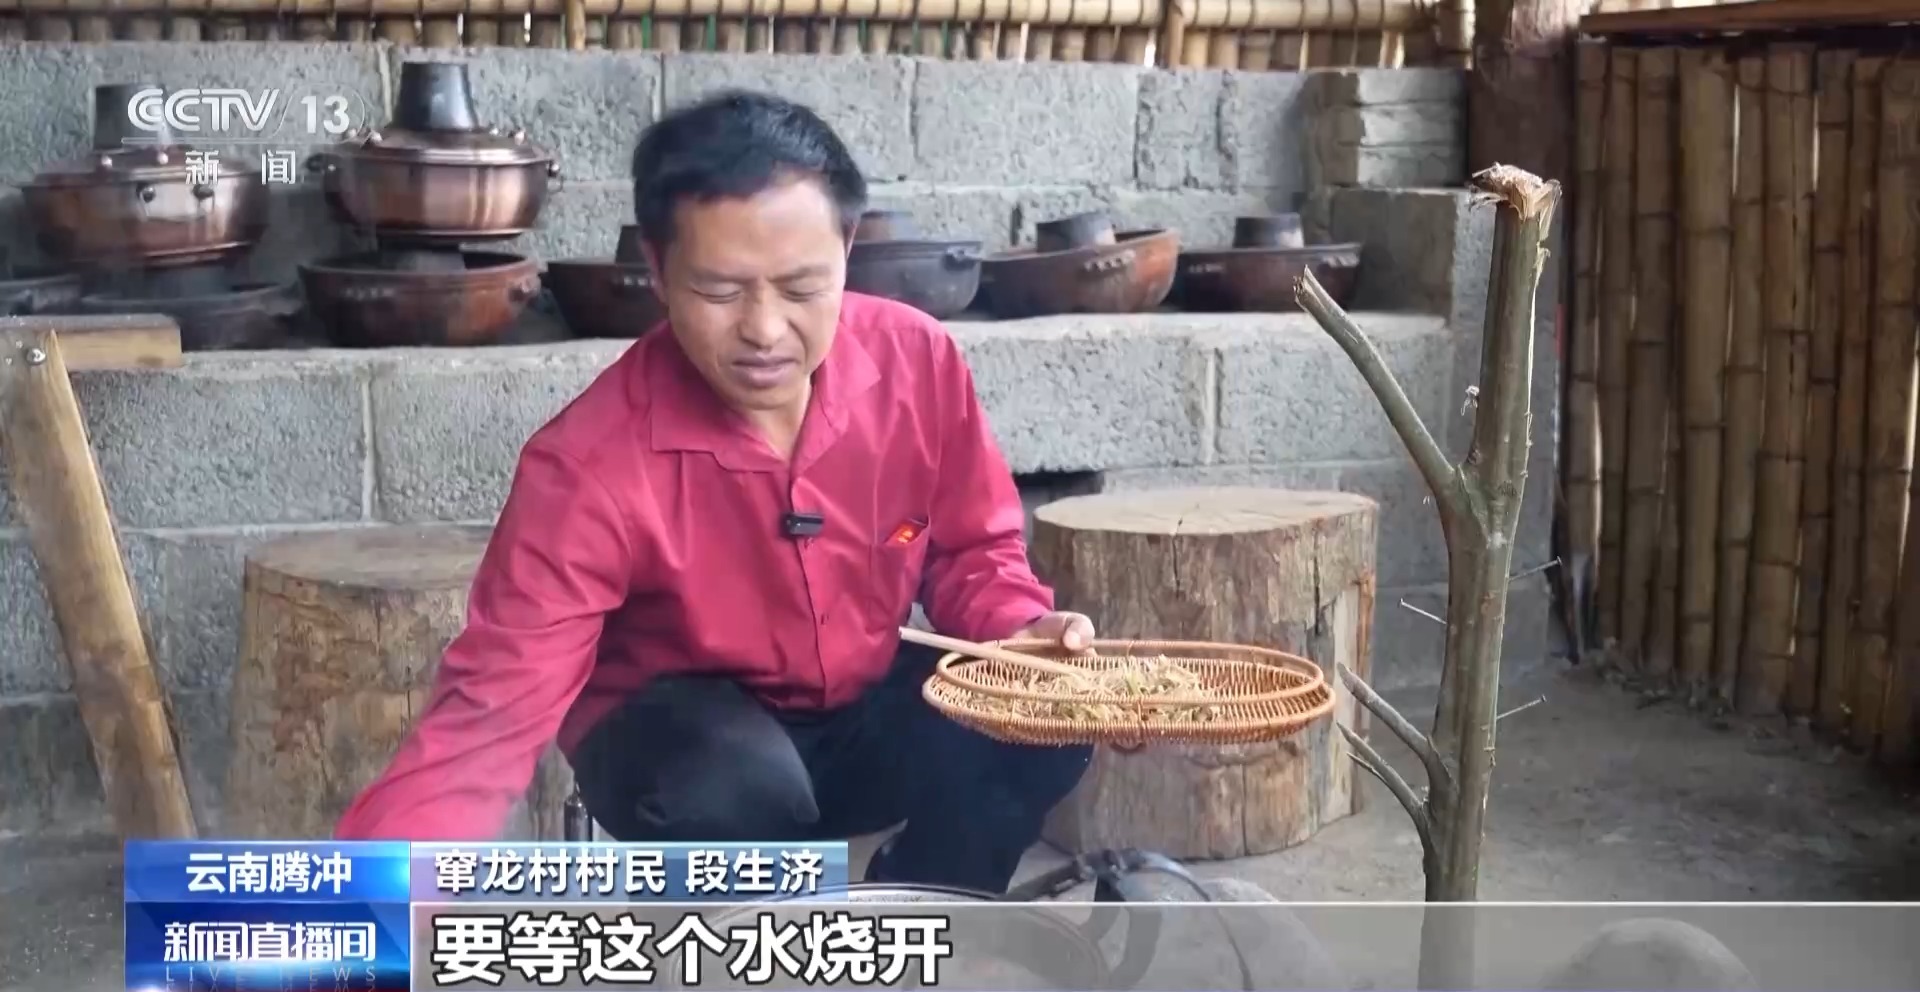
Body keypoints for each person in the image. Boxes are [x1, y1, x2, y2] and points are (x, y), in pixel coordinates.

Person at [334, 90, 1096, 895]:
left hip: (858, 710)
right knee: (731, 785)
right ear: (659, 271)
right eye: (720, 292)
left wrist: (1018, 629)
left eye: (801, 288)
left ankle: (929, 912)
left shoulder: (917, 361)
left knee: (1045, 719)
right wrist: (356, 912)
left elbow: (974, 550)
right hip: (682, 752)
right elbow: (486, 718)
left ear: (846, 248)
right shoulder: (586, 465)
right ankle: (767, 941)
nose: (764, 331)